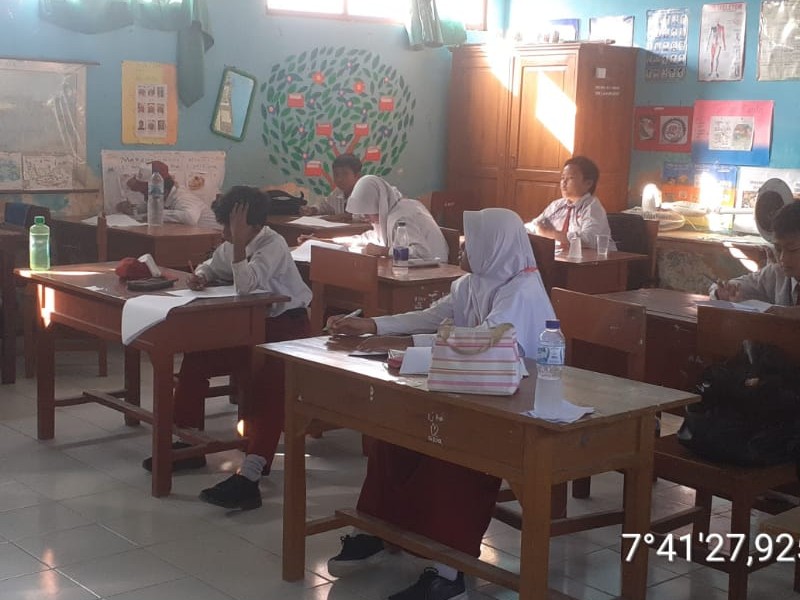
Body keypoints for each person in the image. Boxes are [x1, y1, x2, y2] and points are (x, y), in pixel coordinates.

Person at [324, 208, 555, 600]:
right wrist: (373, 326)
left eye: (470, 240)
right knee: (393, 433)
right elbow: (432, 317)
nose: (461, 246)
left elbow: (481, 342)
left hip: (516, 403)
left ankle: (450, 572)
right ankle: (377, 529)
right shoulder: (471, 283)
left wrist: (400, 344)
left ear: (493, 245)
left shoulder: (522, 290)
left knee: (457, 456)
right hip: (469, 389)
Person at [141, 186, 312, 510]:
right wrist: (202, 275)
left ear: (252, 224)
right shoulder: (233, 242)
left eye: (230, 227)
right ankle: (189, 443)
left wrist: (238, 244)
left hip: (287, 329)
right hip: (247, 328)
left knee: (269, 385)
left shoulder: (272, 245)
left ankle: (251, 474)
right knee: (196, 359)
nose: (225, 234)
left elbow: (247, 286)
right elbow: (212, 264)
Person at [306, 174, 448, 260]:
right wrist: (322, 242)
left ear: (379, 204)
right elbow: (364, 239)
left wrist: (383, 251)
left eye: (368, 213)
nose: (366, 218)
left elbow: (422, 253)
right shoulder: (389, 213)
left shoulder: (401, 217)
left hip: (434, 273)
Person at [710, 201, 800, 319]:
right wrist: (723, 292)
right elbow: (730, 286)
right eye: (778, 249)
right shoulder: (776, 273)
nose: (783, 258)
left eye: (792, 250)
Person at [527, 155, 615, 252]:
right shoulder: (557, 205)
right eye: (562, 178)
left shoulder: (592, 207)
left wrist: (549, 233)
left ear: (588, 183)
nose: (563, 182)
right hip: (561, 257)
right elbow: (535, 226)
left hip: (593, 259)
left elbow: (588, 240)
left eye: (570, 178)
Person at [117, 161, 220, 229]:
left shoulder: (182, 197)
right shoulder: (163, 198)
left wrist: (155, 215)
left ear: (163, 190)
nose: (144, 196)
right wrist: (133, 210)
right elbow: (149, 208)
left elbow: (190, 218)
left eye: (146, 192)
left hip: (216, 241)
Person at [300, 153, 362, 218]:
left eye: (345, 174)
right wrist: (312, 210)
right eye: (336, 174)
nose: (339, 179)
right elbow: (323, 206)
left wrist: (341, 217)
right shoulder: (338, 192)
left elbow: (364, 216)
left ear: (357, 176)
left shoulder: (365, 193)